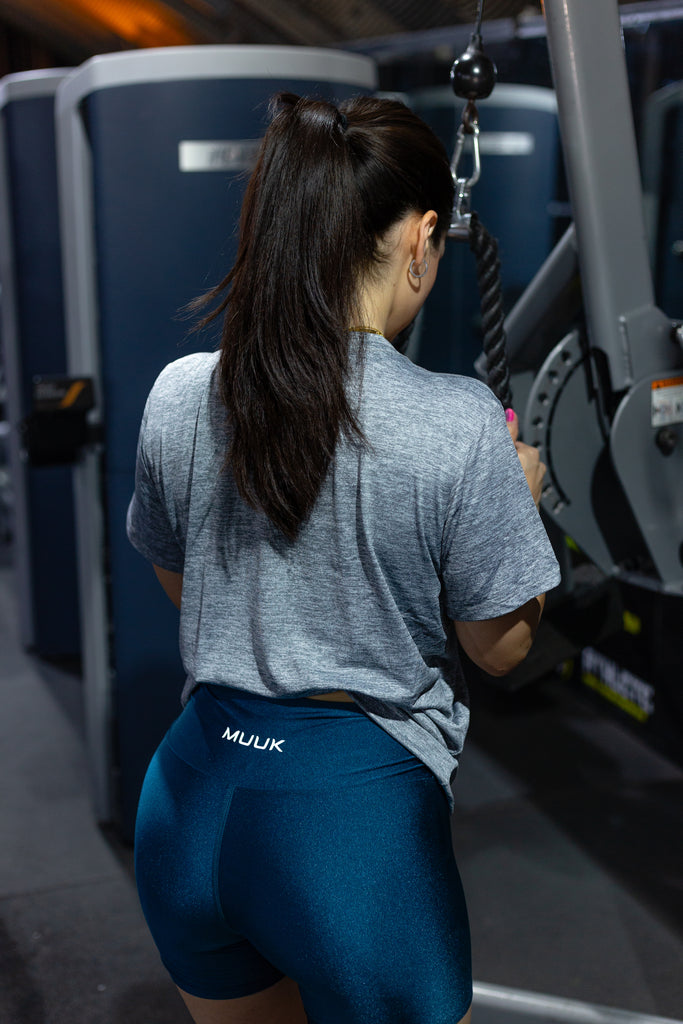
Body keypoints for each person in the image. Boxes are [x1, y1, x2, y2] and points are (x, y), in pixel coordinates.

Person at [127, 92, 560, 1024]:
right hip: (347, 832)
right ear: (421, 238)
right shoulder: (457, 422)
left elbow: (179, 581)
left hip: (189, 798)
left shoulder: (179, 393)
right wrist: (516, 503)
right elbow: (498, 649)